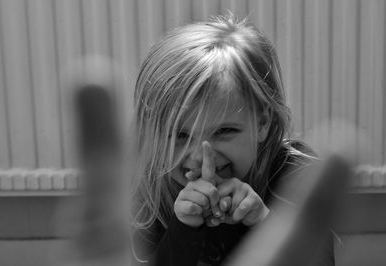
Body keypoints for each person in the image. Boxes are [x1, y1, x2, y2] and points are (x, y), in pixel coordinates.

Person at [131, 14, 334, 266]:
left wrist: (263, 221)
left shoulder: (296, 175)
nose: (200, 157)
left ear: (262, 123)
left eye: (224, 131)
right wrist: (183, 229)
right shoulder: (151, 188)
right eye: (180, 135)